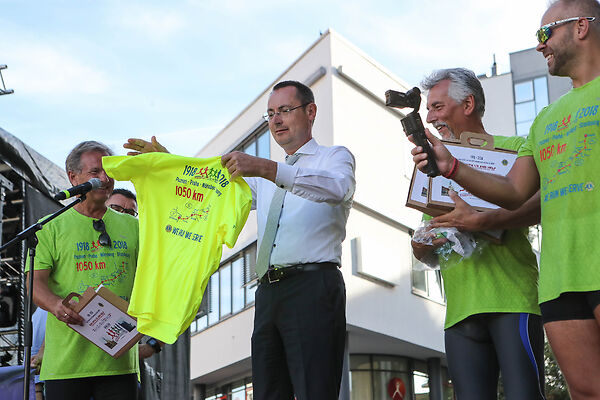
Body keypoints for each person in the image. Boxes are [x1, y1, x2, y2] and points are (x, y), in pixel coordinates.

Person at [411, 1, 600, 397]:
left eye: (544, 34)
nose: (539, 46)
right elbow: (516, 192)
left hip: (532, 288)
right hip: (558, 277)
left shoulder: (513, 142)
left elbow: (520, 204)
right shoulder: (545, 119)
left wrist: (486, 221)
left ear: (581, 27)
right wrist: (449, 168)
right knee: (586, 391)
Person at [124, 80, 356, 400]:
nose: (276, 120)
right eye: (271, 114)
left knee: (315, 390)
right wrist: (168, 163)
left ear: (311, 111)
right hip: (269, 293)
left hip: (313, 287)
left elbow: (337, 188)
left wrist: (265, 168)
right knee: (267, 392)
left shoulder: (334, 158)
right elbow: (210, 187)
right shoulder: (267, 178)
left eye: (285, 110)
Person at [412, 68, 545, 399]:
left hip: (513, 300)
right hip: (460, 311)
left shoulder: (517, 149)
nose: (430, 117)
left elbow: (539, 208)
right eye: (428, 109)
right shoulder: (431, 165)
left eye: (438, 107)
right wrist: (425, 242)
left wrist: (482, 220)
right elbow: (426, 243)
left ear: (468, 103)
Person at [26, 141, 140, 400]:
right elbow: (34, 283)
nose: (105, 178)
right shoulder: (49, 227)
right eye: (95, 172)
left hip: (119, 364)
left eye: (109, 171)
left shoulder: (134, 228)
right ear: (73, 177)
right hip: (65, 365)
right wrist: (56, 305)